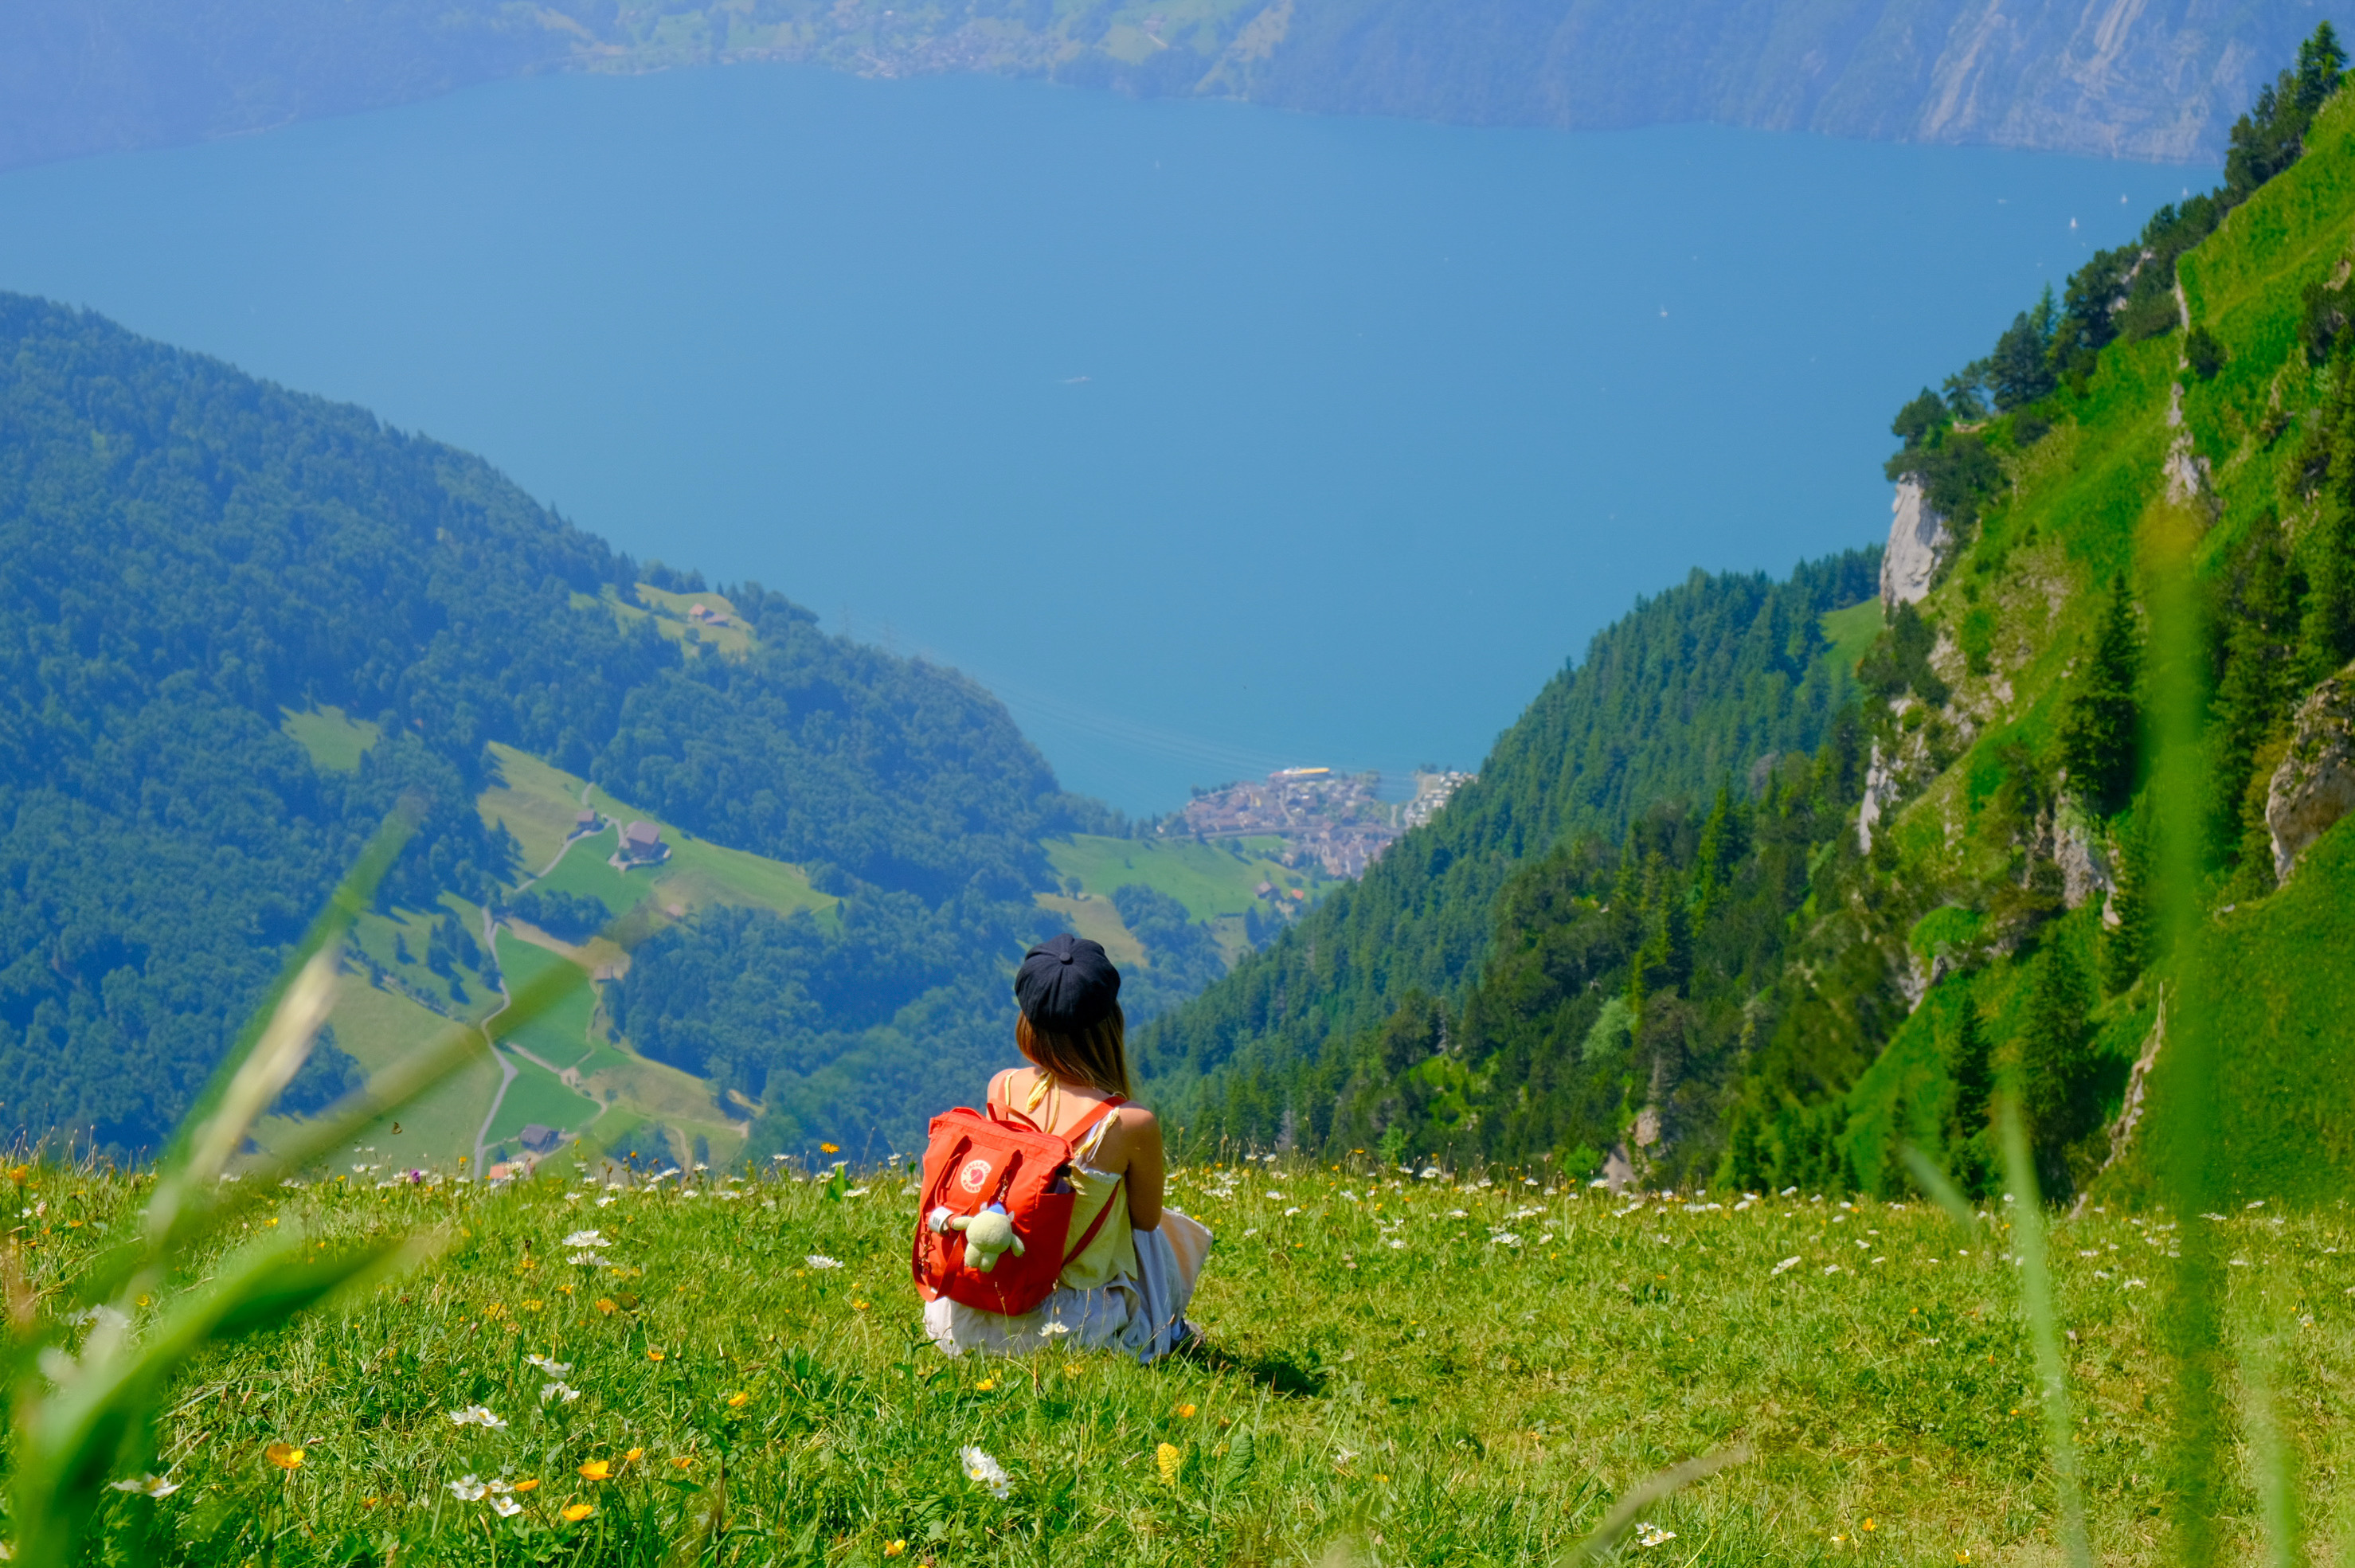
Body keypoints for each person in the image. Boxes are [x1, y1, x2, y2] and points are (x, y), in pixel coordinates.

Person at [921, 934, 1210, 1362]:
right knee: (1157, 1234)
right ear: (1110, 1021)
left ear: (1028, 1022)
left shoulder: (1002, 1086)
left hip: (967, 1309)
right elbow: (1145, 1220)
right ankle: (1169, 1328)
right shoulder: (1128, 1122)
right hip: (1067, 1325)